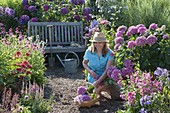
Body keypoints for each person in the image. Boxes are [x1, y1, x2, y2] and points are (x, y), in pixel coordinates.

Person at [82, 32, 120, 99]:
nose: (97, 44)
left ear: (104, 43)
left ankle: (99, 90)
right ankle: (98, 92)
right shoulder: (89, 51)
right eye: (96, 42)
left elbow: (107, 70)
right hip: (93, 76)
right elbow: (84, 63)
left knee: (115, 95)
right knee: (95, 91)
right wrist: (90, 71)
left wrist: (98, 82)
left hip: (105, 76)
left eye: (100, 42)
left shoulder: (110, 53)